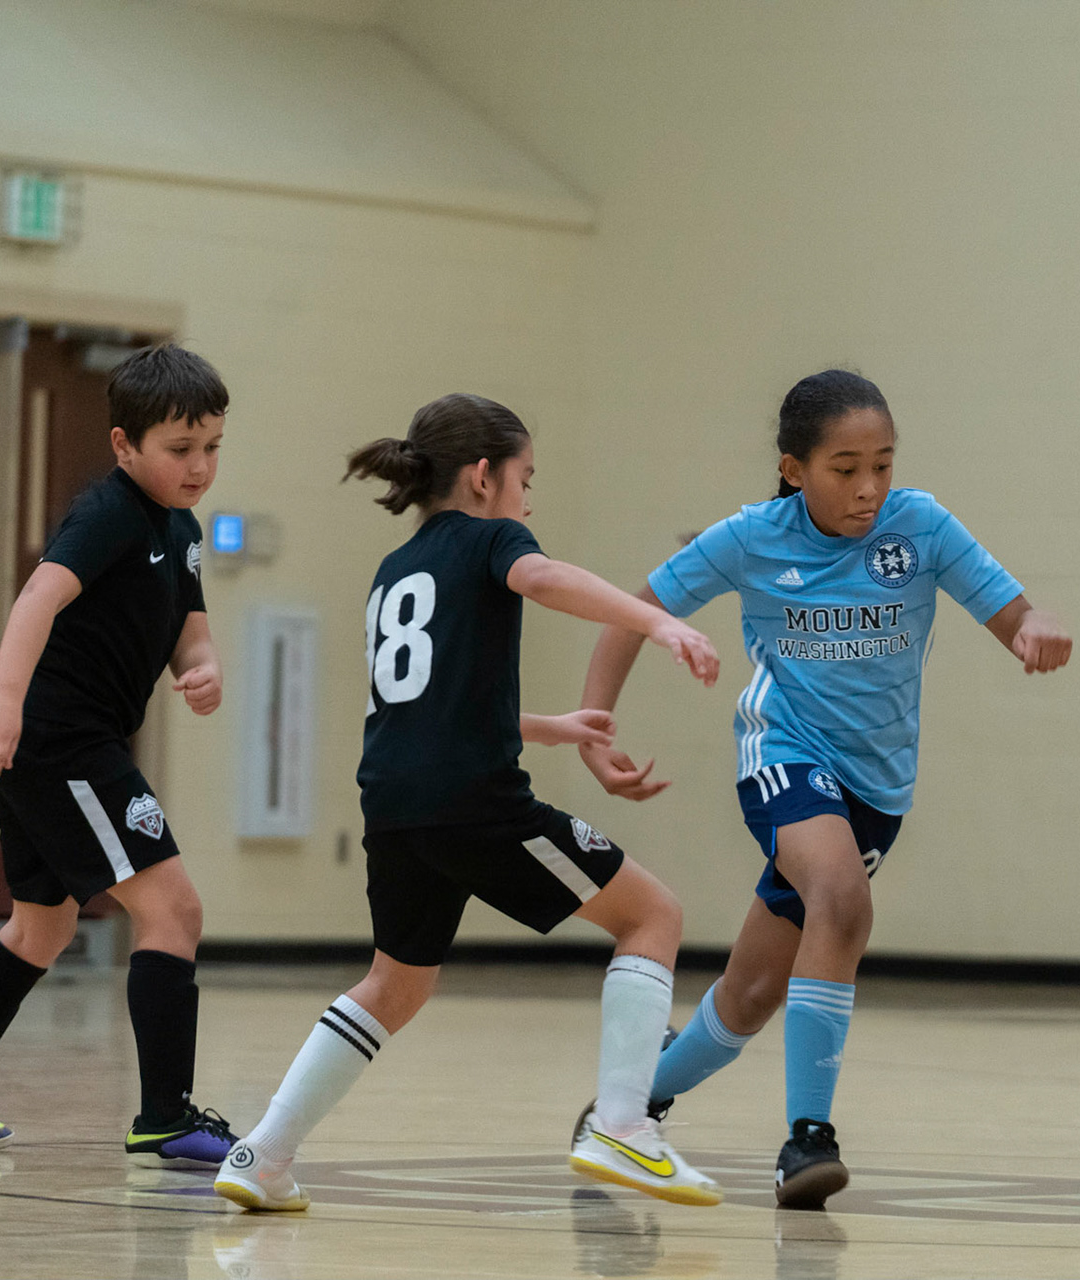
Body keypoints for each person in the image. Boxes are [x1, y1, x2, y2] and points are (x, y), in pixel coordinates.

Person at [213, 393, 724, 1213]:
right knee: (652, 916)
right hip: (476, 801)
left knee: (395, 983)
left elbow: (424, 704)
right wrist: (656, 624)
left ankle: (263, 1156)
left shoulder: (395, 569)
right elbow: (545, 578)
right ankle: (625, 1125)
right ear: (483, 477)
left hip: (395, 804)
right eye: (526, 477)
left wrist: (550, 727)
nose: (529, 497)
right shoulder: (496, 539)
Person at [575, 369, 1072, 1209]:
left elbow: (1013, 615)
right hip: (785, 750)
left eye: (883, 463)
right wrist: (594, 722)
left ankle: (631, 1102)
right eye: (846, 468)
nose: (869, 486)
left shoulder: (922, 527)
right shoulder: (751, 538)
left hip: (878, 787)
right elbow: (636, 608)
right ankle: (808, 1142)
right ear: (793, 468)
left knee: (753, 993)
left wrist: (1036, 630)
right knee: (841, 899)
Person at [0, 343, 237, 1168]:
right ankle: (163, 1115)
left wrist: (205, 671)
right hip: (61, 743)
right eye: (179, 450)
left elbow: (191, 632)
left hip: (62, 748)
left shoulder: (180, 530)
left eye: (213, 447)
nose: (199, 467)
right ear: (125, 445)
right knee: (175, 912)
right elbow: (39, 594)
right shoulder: (108, 511)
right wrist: (3, 700)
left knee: (40, 928)